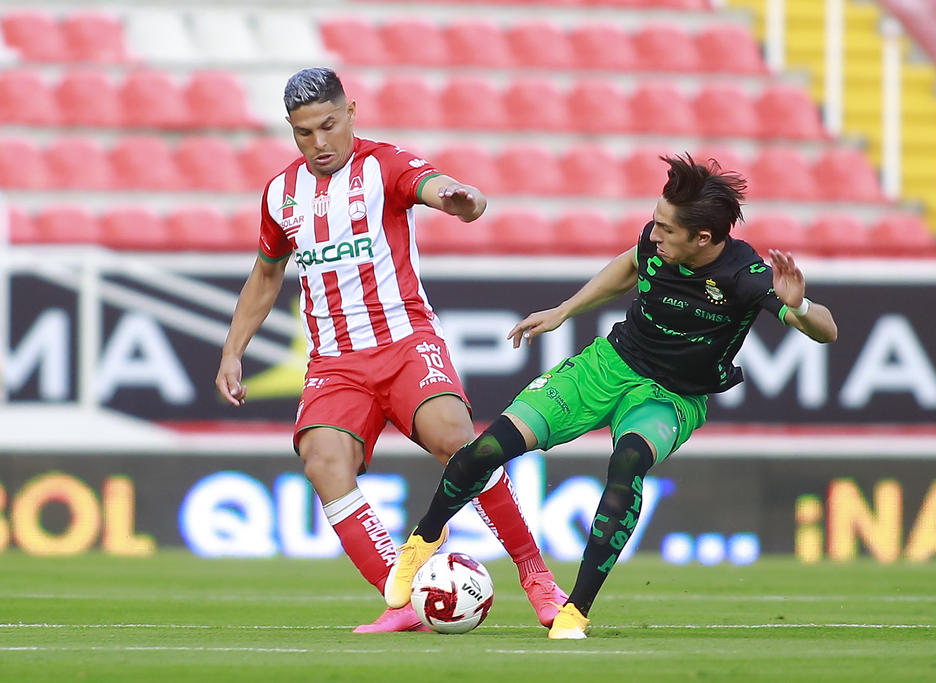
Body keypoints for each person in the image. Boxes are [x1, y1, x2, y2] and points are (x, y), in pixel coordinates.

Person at [384, 154, 839, 639]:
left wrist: (801, 306)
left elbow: (825, 331)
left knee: (627, 466)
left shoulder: (745, 276)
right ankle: (426, 535)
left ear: (702, 238)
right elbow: (629, 265)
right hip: (608, 366)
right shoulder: (655, 242)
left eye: (665, 229)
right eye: (654, 222)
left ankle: (574, 611)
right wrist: (564, 310)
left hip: (670, 397)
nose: (653, 233)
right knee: (489, 447)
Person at [215, 67, 565, 633]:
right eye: (303, 133)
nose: (319, 142)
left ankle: (537, 579)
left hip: (404, 342)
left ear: (351, 110)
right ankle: (404, 602)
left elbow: (437, 188)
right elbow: (265, 274)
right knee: (323, 462)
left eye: (328, 125)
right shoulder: (281, 193)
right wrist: (233, 351)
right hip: (335, 361)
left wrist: (461, 200)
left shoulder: (385, 165)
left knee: (457, 440)